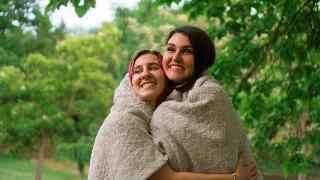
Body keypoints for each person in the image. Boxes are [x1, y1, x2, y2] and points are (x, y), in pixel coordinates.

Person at [88, 49, 258, 180]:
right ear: (130, 83)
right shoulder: (124, 119)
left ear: (166, 77)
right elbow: (166, 178)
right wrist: (234, 177)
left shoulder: (159, 118)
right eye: (138, 71)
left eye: (153, 67)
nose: (145, 74)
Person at [149, 26, 264, 180]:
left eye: (187, 51)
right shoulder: (164, 92)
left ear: (201, 58)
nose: (175, 57)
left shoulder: (211, 94)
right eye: (170, 49)